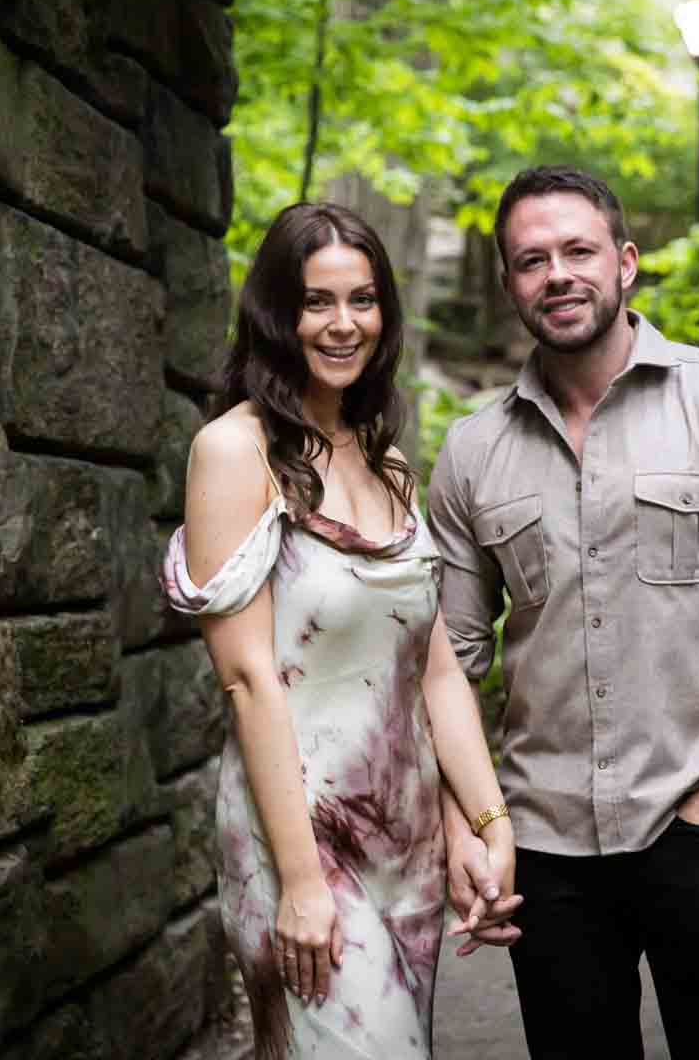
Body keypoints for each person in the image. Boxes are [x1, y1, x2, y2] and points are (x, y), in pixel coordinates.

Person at [429, 166, 699, 1058]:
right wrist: (461, 821)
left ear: (626, 263)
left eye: (578, 250)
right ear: (510, 285)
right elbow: (447, 662)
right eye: (531, 260)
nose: (558, 274)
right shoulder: (471, 453)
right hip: (546, 849)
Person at [163, 202, 517, 1060]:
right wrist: (300, 882)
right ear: (276, 315)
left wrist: (483, 820)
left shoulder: (386, 459)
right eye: (317, 302)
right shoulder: (231, 451)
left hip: (405, 834)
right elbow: (249, 681)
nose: (343, 323)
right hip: (301, 833)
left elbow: (433, 672)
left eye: (362, 299)